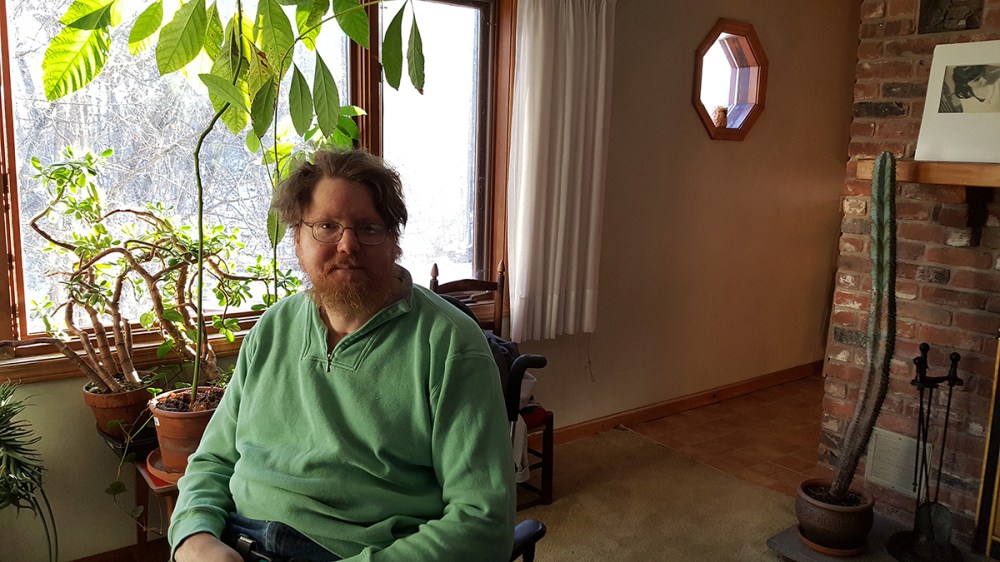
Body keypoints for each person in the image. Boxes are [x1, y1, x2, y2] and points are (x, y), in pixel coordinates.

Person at [168, 150, 515, 561]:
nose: (348, 245)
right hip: (231, 541)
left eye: (369, 228)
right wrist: (193, 535)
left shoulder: (450, 344)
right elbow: (214, 458)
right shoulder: (273, 327)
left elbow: (483, 521)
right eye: (327, 226)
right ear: (298, 239)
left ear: (394, 241)